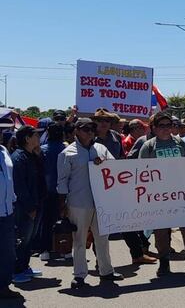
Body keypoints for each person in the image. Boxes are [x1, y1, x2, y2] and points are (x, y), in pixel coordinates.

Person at [139, 113, 185, 276]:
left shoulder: (180, 144)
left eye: (168, 125)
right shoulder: (148, 146)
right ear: (154, 128)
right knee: (161, 231)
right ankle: (164, 262)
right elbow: (141, 172)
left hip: (181, 194)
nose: (165, 129)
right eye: (161, 126)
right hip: (158, 197)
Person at [57, 118, 123, 288]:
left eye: (92, 128)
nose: (90, 132)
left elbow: (115, 169)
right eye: (86, 129)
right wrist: (62, 205)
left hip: (101, 201)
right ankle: (79, 275)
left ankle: (106, 271)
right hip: (78, 203)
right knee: (79, 240)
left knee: (103, 238)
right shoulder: (67, 153)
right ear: (76, 130)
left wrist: (104, 163)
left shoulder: (101, 149)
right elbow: (62, 181)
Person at [94, 109, 155, 265]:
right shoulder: (90, 138)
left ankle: (137, 254)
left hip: (116, 184)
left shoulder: (115, 136)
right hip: (97, 187)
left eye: (107, 121)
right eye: (100, 121)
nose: (103, 124)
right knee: (101, 225)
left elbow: (122, 157)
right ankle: (100, 260)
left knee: (126, 220)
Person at [11, 126, 46, 284]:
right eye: (36, 135)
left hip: (36, 203)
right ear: (27, 138)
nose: (39, 137)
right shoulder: (18, 158)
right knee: (22, 239)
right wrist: (30, 207)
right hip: (25, 207)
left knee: (29, 239)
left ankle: (24, 267)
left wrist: (38, 155)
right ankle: (15, 271)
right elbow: (20, 186)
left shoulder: (32, 155)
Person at [0, 118, 21, 299]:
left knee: (7, 252)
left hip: (7, 211)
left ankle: (3, 286)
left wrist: (12, 200)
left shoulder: (4, 151)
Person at [40, 123, 67, 261]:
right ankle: (64, 250)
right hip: (64, 190)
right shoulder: (67, 149)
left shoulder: (41, 150)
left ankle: (45, 250)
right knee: (64, 220)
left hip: (46, 190)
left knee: (46, 222)